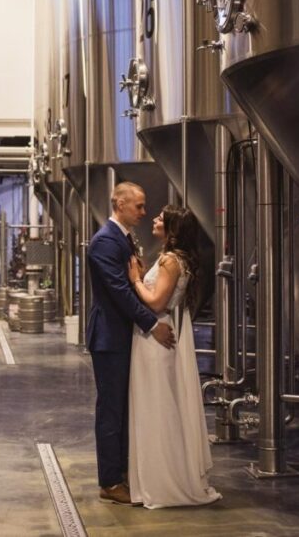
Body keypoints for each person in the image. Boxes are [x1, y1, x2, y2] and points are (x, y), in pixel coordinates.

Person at [86, 182, 176, 506]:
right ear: (119, 204)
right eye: (138, 206)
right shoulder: (104, 243)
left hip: (122, 335)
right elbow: (120, 292)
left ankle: (122, 472)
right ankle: (110, 481)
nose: (143, 211)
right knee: (111, 409)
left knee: (123, 408)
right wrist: (153, 325)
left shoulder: (121, 238)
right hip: (110, 338)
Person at [126, 204, 221, 508]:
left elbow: (155, 303)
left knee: (157, 407)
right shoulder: (176, 258)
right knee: (160, 404)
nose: (154, 219)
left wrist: (136, 279)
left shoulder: (170, 260)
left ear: (171, 228)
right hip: (156, 336)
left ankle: (163, 482)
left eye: (160, 218)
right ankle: (160, 476)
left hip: (157, 338)